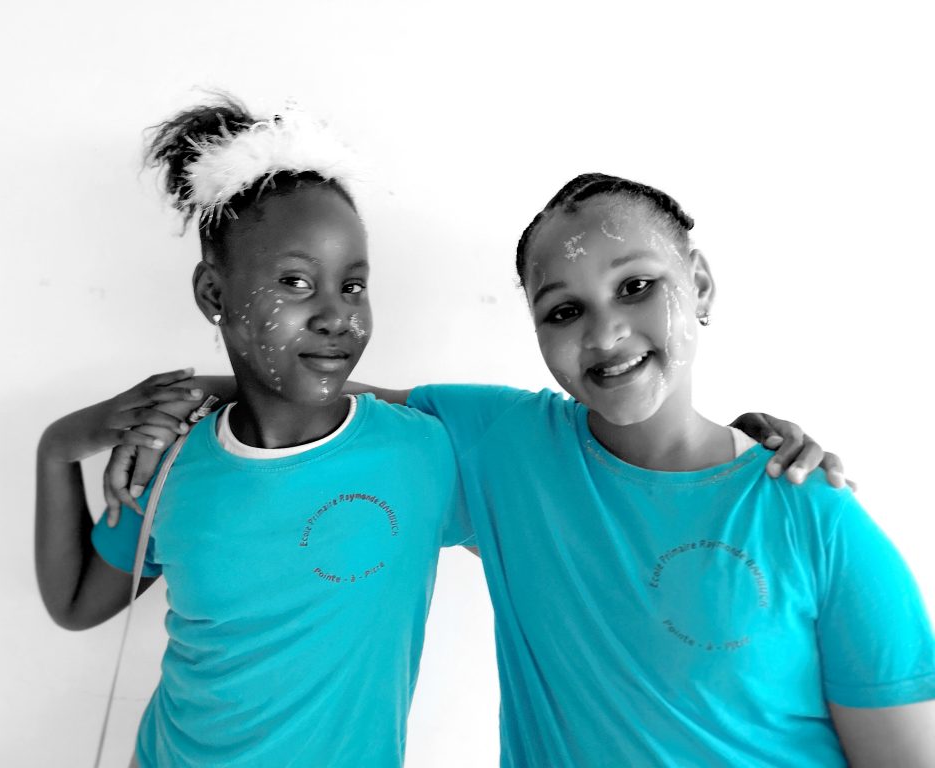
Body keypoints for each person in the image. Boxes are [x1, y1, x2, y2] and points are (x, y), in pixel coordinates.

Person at [109, 168, 904, 764]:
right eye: (564, 310)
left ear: (698, 284)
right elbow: (308, 394)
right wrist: (155, 411)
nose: (606, 334)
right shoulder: (501, 444)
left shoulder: (814, 512)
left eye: (637, 286)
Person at [34, 95, 472, 768]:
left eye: (353, 286)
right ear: (214, 294)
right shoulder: (170, 461)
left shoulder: (425, 452)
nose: (336, 315)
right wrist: (58, 446)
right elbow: (75, 603)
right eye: (296, 281)